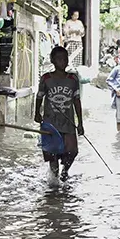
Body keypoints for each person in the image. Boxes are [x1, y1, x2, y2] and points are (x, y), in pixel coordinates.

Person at [34, 45, 84, 184]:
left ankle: (65, 170)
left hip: (68, 122)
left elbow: (77, 100)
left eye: (65, 59)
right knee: (52, 154)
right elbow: (39, 97)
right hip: (50, 122)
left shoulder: (73, 79)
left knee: (72, 151)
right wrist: (37, 113)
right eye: (59, 59)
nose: (62, 61)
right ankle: (54, 184)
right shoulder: (46, 78)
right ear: (53, 61)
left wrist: (80, 122)